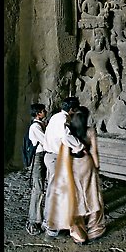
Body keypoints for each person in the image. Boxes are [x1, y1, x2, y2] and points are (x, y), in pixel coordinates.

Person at [47, 106, 106, 245]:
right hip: (87, 165)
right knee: (92, 194)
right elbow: (94, 151)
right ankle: (95, 229)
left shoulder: (68, 130)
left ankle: (78, 231)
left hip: (72, 166)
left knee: (76, 196)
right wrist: (97, 167)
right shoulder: (90, 130)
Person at [42, 96, 84, 237]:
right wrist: (80, 146)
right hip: (55, 157)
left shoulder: (55, 117)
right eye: (75, 109)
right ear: (71, 109)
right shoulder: (63, 119)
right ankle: (51, 226)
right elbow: (66, 137)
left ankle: (50, 221)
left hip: (51, 156)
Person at [25, 103, 47, 236]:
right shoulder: (35, 127)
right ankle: (33, 222)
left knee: (40, 188)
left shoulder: (40, 125)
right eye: (43, 110)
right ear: (38, 113)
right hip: (38, 158)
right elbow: (46, 141)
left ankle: (38, 219)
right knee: (37, 189)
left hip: (42, 157)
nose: (45, 111)